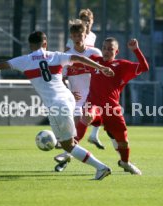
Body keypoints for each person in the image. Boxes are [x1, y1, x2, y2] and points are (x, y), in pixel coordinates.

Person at [0, 31, 114, 180]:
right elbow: (79, 58)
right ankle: (69, 144)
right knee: (68, 142)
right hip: (68, 98)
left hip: (56, 106)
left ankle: (101, 168)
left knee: (68, 146)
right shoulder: (56, 55)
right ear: (45, 43)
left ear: (30, 45)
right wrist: (101, 67)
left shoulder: (25, 60)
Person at [57, 37, 149, 175]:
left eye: (110, 49)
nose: (106, 51)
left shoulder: (122, 65)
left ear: (116, 51)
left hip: (112, 109)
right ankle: (68, 151)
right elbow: (76, 62)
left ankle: (125, 162)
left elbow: (144, 67)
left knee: (123, 143)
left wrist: (136, 50)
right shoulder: (95, 60)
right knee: (86, 116)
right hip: (93, 104)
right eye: (104, 48)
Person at [65, 9, 103, 149]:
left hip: (90, 81)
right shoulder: (73, 43)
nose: (87, 23)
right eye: (84, 21)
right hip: (77, 83)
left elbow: (97, 59)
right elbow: (67, 56)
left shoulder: (92, 37)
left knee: (101, 110)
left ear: (92, 22)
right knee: (78, 119)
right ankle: (70, 145)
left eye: (89, 21)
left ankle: (92, 135)